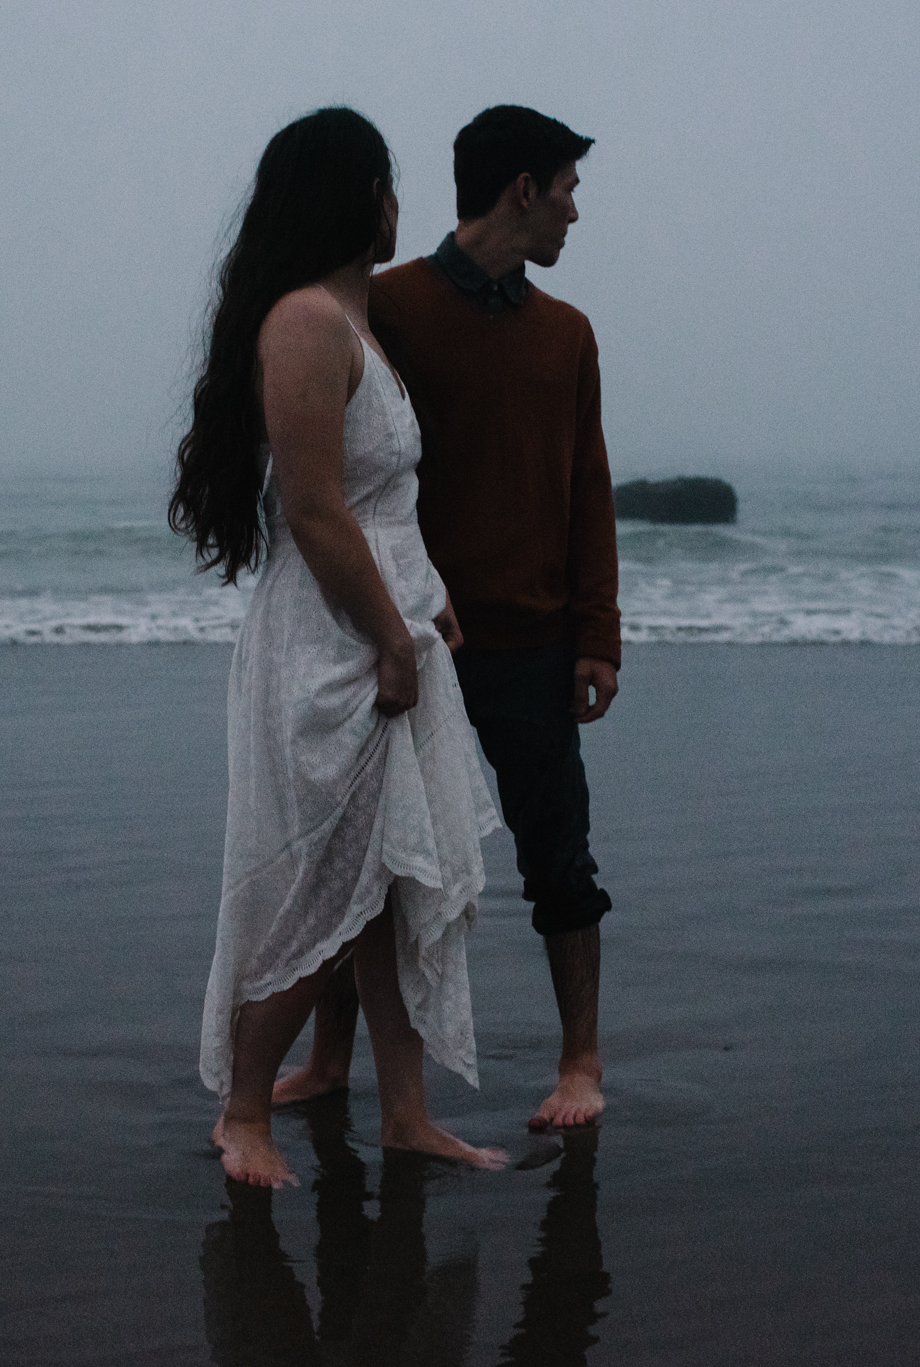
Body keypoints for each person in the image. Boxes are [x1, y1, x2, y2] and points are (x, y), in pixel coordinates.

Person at [171, 107, 507, 1188]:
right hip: (337, 641)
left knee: (390, 886)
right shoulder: (306, 323)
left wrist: (431, 604)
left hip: (385, 622)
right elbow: (315, 510)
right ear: (354, 196)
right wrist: (389, 640)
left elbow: (382, 501)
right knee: (323, 877)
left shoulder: (351, 326)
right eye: (383, 181)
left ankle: (404, 1114)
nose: (395, 203)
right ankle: (241, 1114)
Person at [273, 105, 620, 1133]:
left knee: (556, 850)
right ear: (519, 188)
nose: (572, 211)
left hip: (533, 638)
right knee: (365, 857)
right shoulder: (382, 309)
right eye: (565, 187)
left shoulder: (567, 334)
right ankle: (331, 1059)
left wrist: (597, 632)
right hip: (410, 635)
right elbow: (336, 472)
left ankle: (579, 1060)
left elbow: (587, 487)